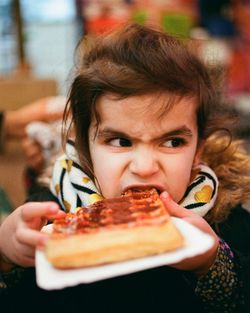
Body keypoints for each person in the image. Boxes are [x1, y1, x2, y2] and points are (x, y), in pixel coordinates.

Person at [1, 23, 250, 313]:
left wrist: (212, 263)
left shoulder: (224, 218)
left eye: (172, 142)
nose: (144, 168)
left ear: (199, 152)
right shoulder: (51, 213)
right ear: (86, 148)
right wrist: (7, 259)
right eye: (120, 141)